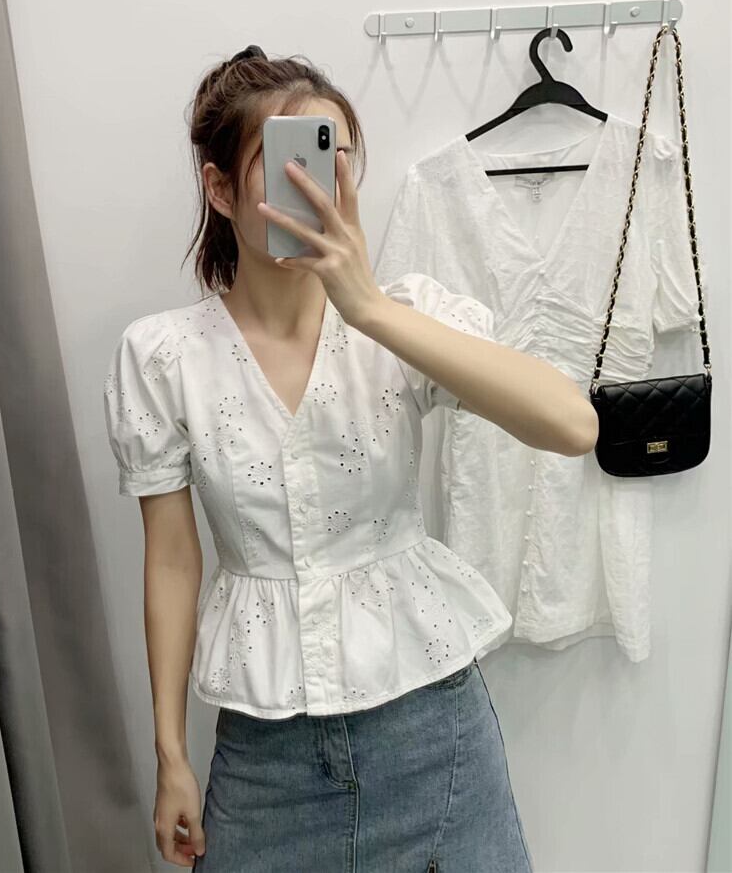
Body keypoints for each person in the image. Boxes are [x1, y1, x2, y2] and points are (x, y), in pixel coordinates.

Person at [104, 44, 599, 871]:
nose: (314, 188)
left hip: (433, 737)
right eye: (287, 164)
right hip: (266, 763)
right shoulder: (164, 358)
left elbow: (572, 425)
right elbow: (173, 560)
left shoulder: (404, 321)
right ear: (220, 190)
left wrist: (368, 308)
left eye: (329, 160)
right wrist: (170, 754)